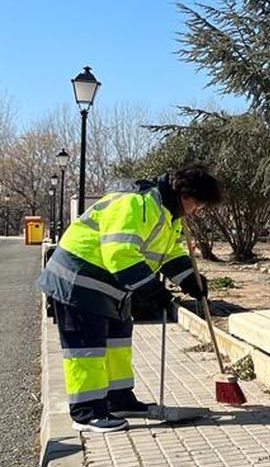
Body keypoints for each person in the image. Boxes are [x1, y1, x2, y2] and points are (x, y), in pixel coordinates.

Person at [36, 165, 221, 432]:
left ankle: (119, 400)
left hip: (110, 287)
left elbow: (169, 253)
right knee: (87, 349)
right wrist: (152, 290)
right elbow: (120, 254)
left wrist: (190, 279)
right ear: (185, 195)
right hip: (79, 281)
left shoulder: (168, 215)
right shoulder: (136, 203)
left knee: (118, 343)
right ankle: (86, 413)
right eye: (198, 204)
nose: (196, 210)